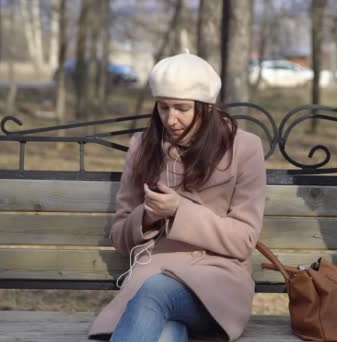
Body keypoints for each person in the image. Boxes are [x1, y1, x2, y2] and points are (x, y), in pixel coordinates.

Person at [87, 53, 267, 342]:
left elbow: (244, 239)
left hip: (217, 282)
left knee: (156, 291)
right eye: (163, 107)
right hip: (153, 278)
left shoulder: (244, 147)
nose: (171, 119)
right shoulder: (143, 147)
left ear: (206, 107)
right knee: (168, 331)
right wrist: (147, 216)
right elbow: (120, 238)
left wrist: (179, 211)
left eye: (182, 108)